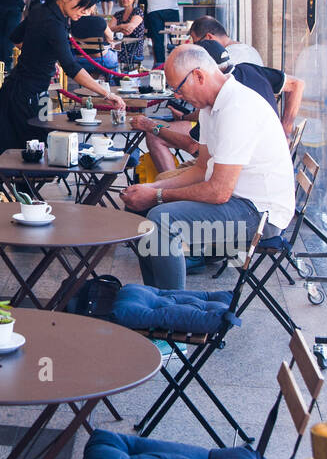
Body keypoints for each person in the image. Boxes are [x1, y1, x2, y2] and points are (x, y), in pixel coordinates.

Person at [121, 44, 295, 287]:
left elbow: (218, 191)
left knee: (161, 220)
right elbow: (201, 169)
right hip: (239, 202)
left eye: (178, 90)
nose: (178, 97)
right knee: (137, 209)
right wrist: (152, 187)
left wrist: (158, 195)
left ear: (199, 76)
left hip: (261, 217)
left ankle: (171, 308)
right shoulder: (210, 107)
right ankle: (153, 299)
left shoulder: (237, 108)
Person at [0, 0, 126, 200]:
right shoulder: (54, 23)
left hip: (33, 92)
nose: (86, 12)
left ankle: (14, 200)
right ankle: (23, 202)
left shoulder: (41, 10)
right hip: (26, 95)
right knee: (31, 151)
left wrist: (44, 57)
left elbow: (16, 38)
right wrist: (106, 93)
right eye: (83, 5)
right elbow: (71, 67)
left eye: (89, 7)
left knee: (35, 144)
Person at [129, 38, 304, 175]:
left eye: (179, 89)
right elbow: (297, 84)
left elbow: (193, 147)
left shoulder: (230, 103)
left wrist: (152, 127)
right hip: (266, 160)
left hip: (246, 171)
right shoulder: (249, 70)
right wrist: (286, 128)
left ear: (201, 73)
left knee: (155, 145)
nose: (177, 94)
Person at [189, 15, 263, 66]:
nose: (199, 48)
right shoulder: (249, 49)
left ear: (209, 37)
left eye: (197, 44)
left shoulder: (225, 59)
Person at [109, 0, 145, 70]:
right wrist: (122, 27)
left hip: (133, 47)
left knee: (111, 55)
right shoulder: (118, 14)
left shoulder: (138, 12)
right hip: (118, 45)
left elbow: (129, 29)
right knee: (105, 53)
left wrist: (117, 28)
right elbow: (109, 29)